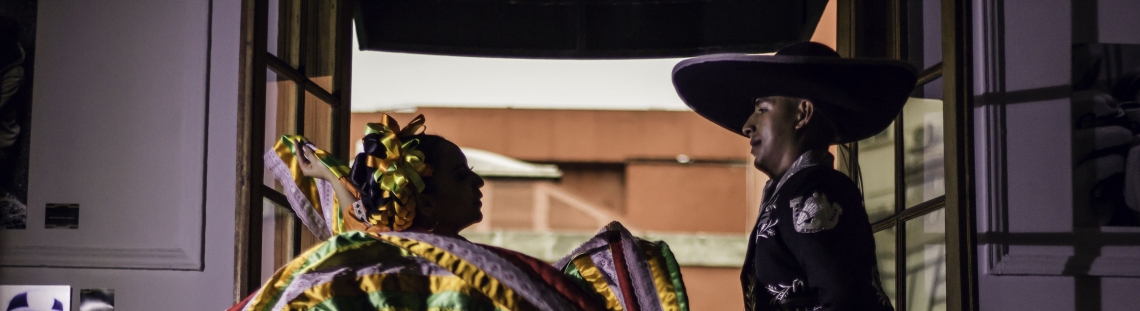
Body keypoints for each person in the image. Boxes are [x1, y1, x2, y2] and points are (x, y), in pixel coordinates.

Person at [231, 114, 606, 311]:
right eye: (462, 177)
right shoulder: (418, 268)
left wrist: (327, 172)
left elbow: (357, 223)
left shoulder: (397, 251)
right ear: (424, 202)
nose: (479, 186)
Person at [671, 42, 916, 311]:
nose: (747, 125)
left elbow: (843, 298)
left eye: (762, 109)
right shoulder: (793, 190)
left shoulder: (815, 188)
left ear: (803, 114)